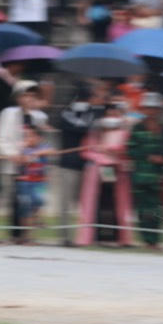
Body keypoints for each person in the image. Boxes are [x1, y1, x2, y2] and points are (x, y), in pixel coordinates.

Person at [76, 103, 134, 248]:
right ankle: (94, 236)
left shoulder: (124, 131)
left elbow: (127, 151)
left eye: (115, 114)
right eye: (109, 114)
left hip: (117, 171)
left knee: (114, 204)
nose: (112, 117)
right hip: (99, 171)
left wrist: (116, 154)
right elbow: (86, 149)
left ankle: (117, 236)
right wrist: (101, 154)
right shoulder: (96, 131)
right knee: (98, 203)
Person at [0, 80, 44, 244]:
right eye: (25, 95)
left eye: (32, 95)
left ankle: (26, 234)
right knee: (14, 199)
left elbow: (39, 141)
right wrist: (13, 154)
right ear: (17, 97)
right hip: (13, 165)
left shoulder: (37, 116)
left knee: (30, 201)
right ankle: (15, 235)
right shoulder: (8, 114)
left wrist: (35, 154)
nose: (29, 99)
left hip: (31, 167)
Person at [55, 85, 103, 245]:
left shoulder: (93, 113)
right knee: (65, 203)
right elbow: (78, 128)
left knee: (86, 203)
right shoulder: (66, 112)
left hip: (86, 164)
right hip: (68, 163)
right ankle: (65, 237)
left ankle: (85, 237)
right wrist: (85, 112)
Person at [128, 92, 163, 249]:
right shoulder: (137, 128)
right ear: (144, 109)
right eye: (148, 108)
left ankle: (155, 240)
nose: (151, 111)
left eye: (154, 108)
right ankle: (146, 240)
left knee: (157, 210)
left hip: (157, 178)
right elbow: (131, 150)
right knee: (143, 210)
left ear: (159, 110)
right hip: (140, 176)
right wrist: (148, 156)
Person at [15, 121, 52, 243]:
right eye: (26, 136)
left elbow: (51, 151)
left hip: (40, 182)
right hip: (25, 182)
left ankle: (36, 220)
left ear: (39, 138)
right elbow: (20, 161)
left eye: (32, 136)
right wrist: (23, 151)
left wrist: (37, 153)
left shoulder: (43, 147)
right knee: (25, 207)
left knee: (39, 201)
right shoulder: (23, 149)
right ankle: (27, 235)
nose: (29, 139)